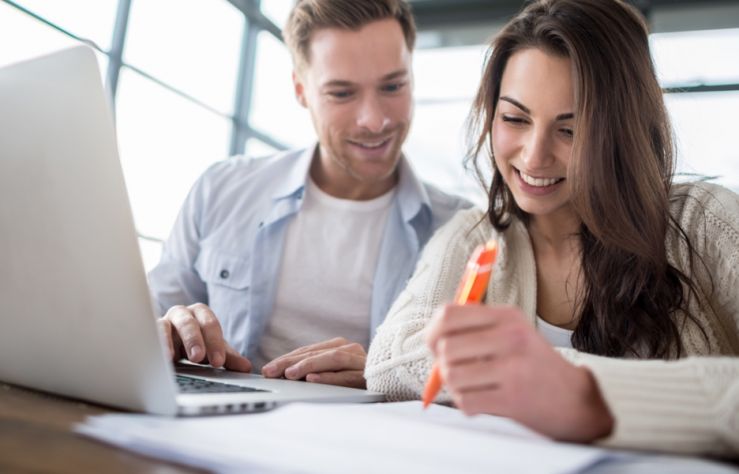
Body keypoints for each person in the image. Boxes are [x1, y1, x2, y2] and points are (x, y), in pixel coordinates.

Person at [365, 0, 739, 457]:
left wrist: (578, 390)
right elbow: (389, 361)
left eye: (571, 130)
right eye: (515, 119)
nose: (534, 157)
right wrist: (525, 376)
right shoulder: (473, 237)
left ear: (621, 134)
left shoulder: (705, 222)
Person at [148, 0, 470, 388]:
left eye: (392, 86)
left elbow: (470, 376)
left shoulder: (462, 232)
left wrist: (387, 373)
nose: (374, 120)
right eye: (342, 93)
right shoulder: (221, 190)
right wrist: (167, 327)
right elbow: (148, 315)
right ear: (301, 90)